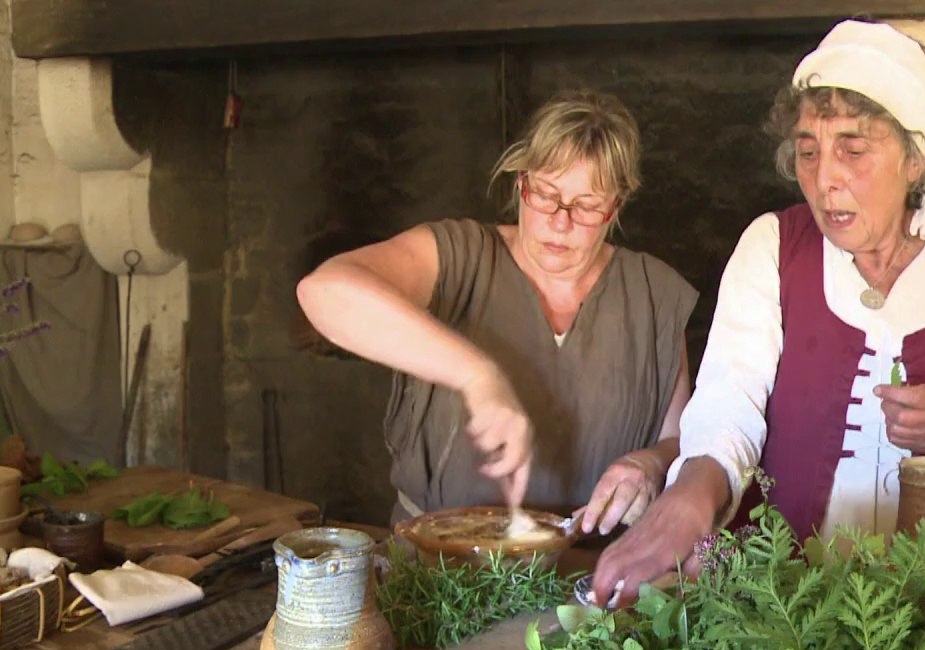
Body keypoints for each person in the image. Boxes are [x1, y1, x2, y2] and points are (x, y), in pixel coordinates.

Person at [592, 20, 925, 606]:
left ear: (916, 158)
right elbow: (725, 412)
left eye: (853, 149)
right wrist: (688, 496)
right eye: (808, 152)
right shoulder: (772, 246)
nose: (824, 179)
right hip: (777, 615)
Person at [297, 90, 697, 532]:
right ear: (520, 182)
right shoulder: (458, 255)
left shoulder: (653, 294)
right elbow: (324, 292)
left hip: (590, 580)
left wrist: (650, 464)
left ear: (615, 208)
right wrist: (476, 376)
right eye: (546, 194)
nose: (559, 222)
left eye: (585, 206)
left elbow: (680, 440)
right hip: (437, 564)